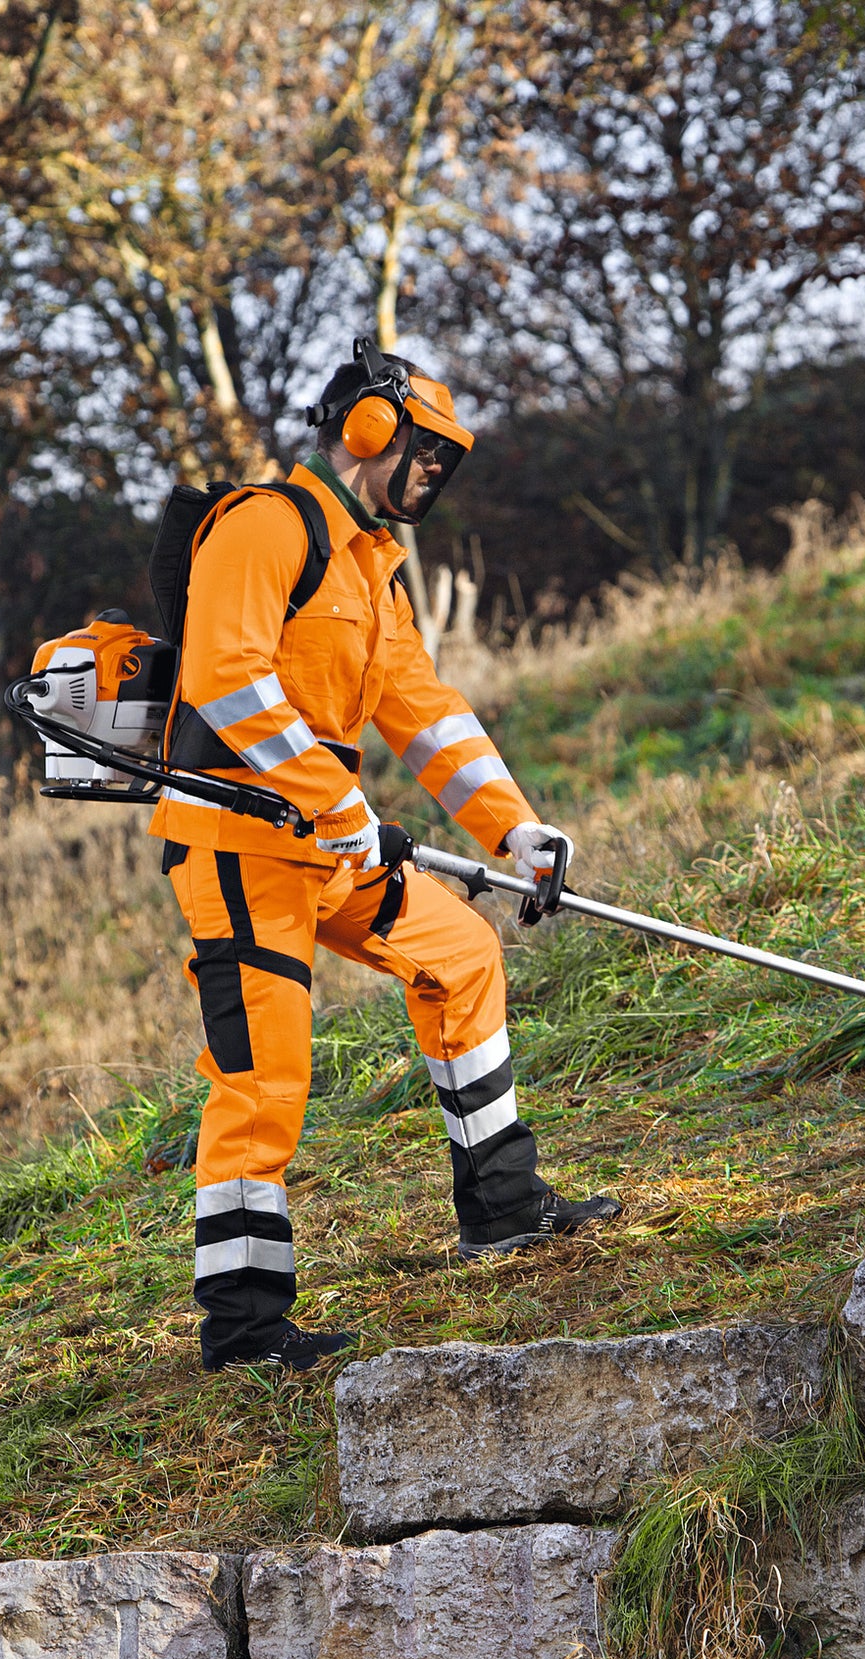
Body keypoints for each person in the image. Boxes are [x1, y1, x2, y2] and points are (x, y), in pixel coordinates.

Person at [151, 338, 621, 1372]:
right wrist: (333, 798)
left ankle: (501, 1207)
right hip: (239, 845)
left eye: (443, 462)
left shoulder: (373, 570)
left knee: (458, 956)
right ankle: (243, 1328)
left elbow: (425, 713)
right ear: (367, 430)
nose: (432, 476)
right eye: (424, 452)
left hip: (326, 843)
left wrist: (515, 828)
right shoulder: (263, 527)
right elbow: (226, 684)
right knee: (264, 1077)